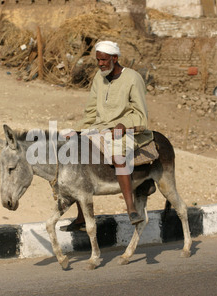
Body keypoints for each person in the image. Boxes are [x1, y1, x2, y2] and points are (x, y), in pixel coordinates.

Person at [60, 40, 153, 232]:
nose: (101, 64)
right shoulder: (98, 78)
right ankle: (81, 217)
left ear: (115, 58)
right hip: (99, 128)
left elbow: (140, 114)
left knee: (118, 155)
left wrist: (123, 124)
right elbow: (91, 112)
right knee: (74, 153)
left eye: (104, 60)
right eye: (98, 60)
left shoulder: (133, 78)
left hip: (126, 130)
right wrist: (77, 130)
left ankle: (131, 208)